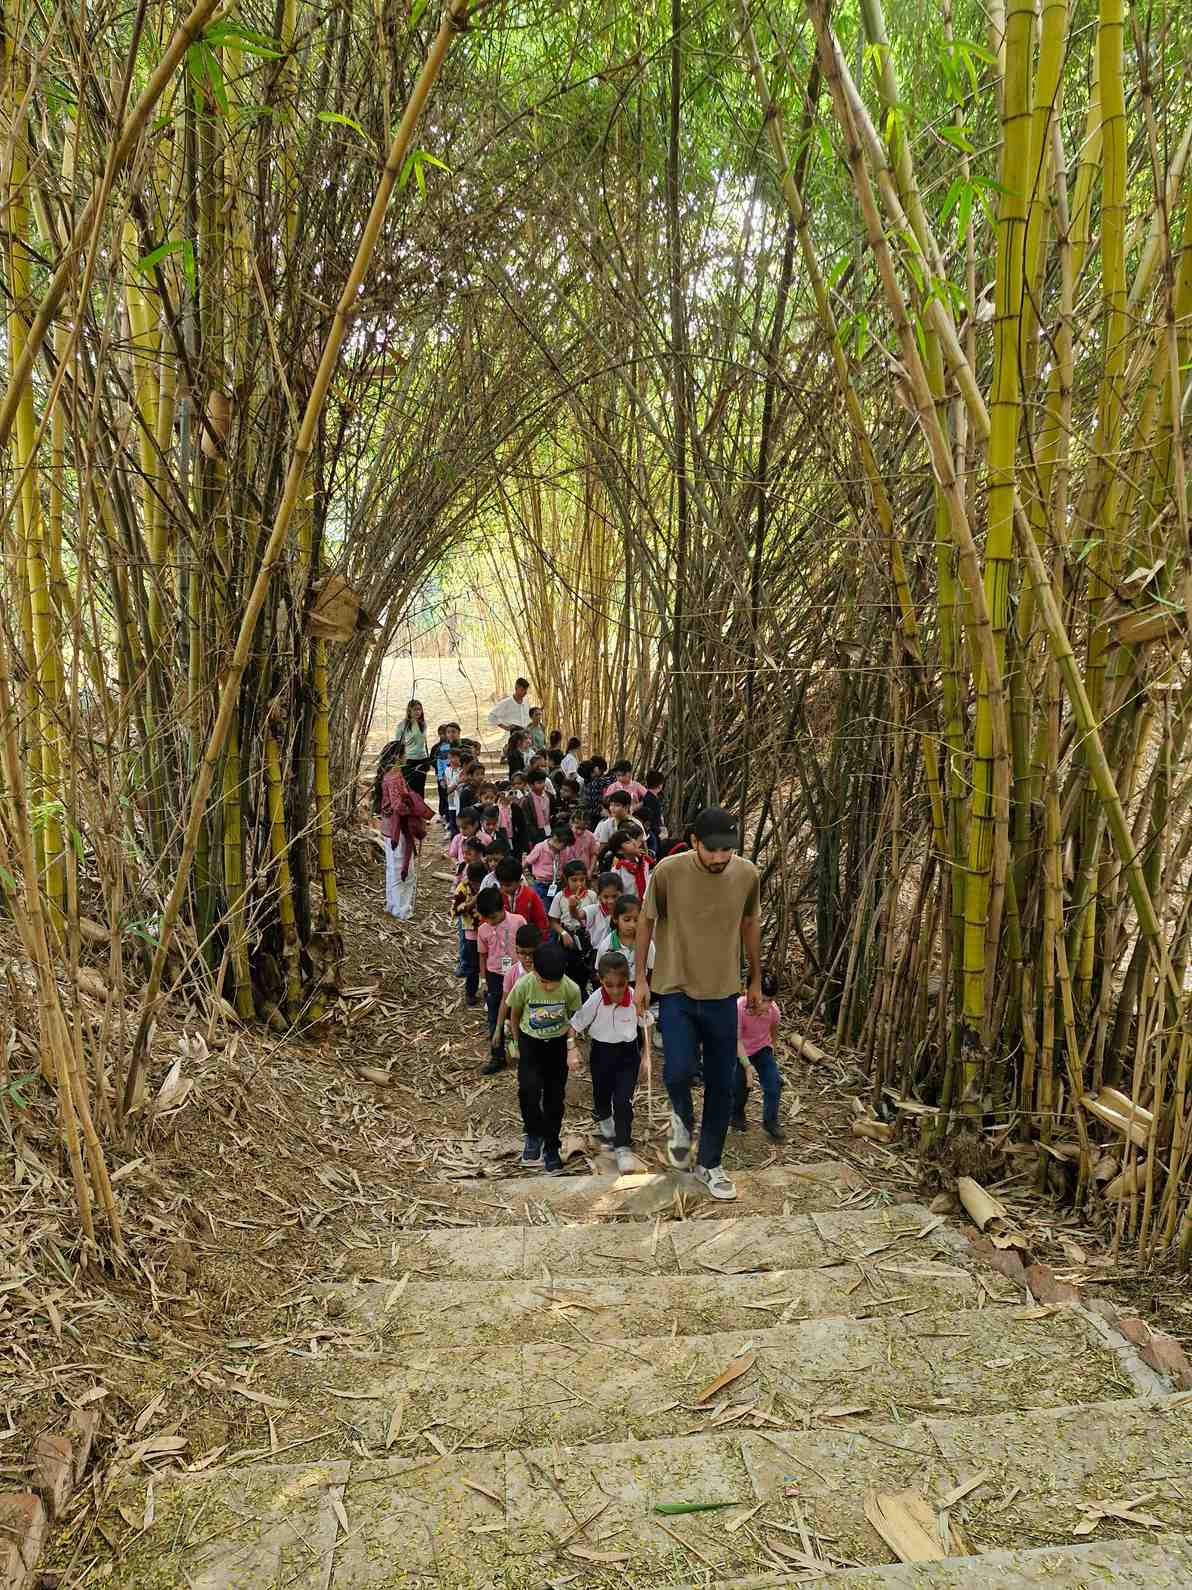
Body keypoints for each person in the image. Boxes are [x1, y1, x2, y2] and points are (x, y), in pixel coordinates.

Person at [635, 805, 762, 1202]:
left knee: (723, 1084)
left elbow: (750, 924)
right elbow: (645, 921)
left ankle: (710, 1163)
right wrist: (640, 978)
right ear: (694, 842)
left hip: (723, 993)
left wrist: (755, 978)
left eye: (727, 850)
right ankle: (682, 1121)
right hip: (676, 989)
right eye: (712, 850)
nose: (721, 858)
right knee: (677, 1072)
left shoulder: (747, 875)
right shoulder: (668, 871)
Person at [571, 949, 650, 1174]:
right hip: (601, 1053)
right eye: (609, 985)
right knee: (602, 1094)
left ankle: (623, 1145)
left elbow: (646, 1023)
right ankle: (605, 1119)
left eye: (620, 984)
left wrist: (645, 1056)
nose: (615, 990)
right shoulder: (596, 999)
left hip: (628, 1055)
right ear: (601, 981)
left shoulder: (635, 997)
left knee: (624, 1101)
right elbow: (575, 1025)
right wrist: (571, 1049)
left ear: (628, 980)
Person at [506, 941, 583, 1172]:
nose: (549, 987)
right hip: (530, 1043)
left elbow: (574, 1019)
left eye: (554, 983)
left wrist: (571, 1045)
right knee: (528, 1089)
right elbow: (515, 1013)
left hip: (557, 1045)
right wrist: (516, 1043)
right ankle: (533, 1133)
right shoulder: (525, 985)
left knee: (554, 1097)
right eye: (543, 981)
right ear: (535, 971)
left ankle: (551, 1145)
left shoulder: (571, 989)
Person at [732, 971, 785, 1140]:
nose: (766, 1006)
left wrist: (771, 1051)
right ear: (748, 992)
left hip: (762, 1049)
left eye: (770, 1000)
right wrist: (747, 1067)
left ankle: (771, 1122)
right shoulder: (739, 1008)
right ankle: (737, 1113)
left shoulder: (774, 1012)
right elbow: (737, 1040)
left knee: (774, 1083)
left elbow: (773, 1032)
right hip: (740, 1051)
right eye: (763, 1000)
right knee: (740, 1085)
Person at [379, 759, 432, 919]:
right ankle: (401, 909)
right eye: (404, 753)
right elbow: (398, 806)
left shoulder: (390, 775)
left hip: (390, 827)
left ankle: (392, 905)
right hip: (398, 828)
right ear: (397, 757)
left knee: (392, 868)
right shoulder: (394, 777)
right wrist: (414, 810)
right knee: (402, 869)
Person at [486, 923, 543, 1074]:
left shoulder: (546, 970)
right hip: (521, 1024)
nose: (527, 958)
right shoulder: (512, 973)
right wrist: (498, 1029)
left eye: (532, 953)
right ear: (516, 950)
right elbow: (505, 1002)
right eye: (522, 953)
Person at [476, 886, 526, 1058]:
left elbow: (527, 944)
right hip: (495, 975)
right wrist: (483, 980)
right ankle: (497, 1056)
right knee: (494, 1012)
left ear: (502, 907)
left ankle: (522, 1050)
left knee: (520, 1011)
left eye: (493, 917)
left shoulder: (518, 921)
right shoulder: (483, 930)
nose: (490, 921)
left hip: (517, 974)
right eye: (486, 918)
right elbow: (482, 956)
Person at [453, 860, 488, 1007]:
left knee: (490, 963)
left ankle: (489, 992)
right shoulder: (462, 888)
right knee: (473, 965)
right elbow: (454, 910)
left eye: (479, 883)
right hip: (471, 931)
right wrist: (470, 904)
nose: (477, 886)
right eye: (474, 883)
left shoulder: (489, 884)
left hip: (488, 929)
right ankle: (470, 993)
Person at [493, 856, 550, 937]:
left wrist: (542, 938)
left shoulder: (530, 895)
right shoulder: (496, 895)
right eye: (501, 884)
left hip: (525, 941)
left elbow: (540, 919)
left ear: (519, 881)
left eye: (508, 885)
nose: (504, 888)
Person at [607, 894, 656, 987]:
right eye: (627, 920)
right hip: (617, 987)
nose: (632, 925)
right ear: (615, 919)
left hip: (640, 985)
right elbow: (601, 970)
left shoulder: (647, 943)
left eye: (636, 920)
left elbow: (652, 969)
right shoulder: (607, 944)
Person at [525, 824, 572, 908]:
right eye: (564, 845)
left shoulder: (564, 850)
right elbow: (527, 862)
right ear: (555, 839)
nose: (565, 848)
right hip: (541, 884)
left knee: (557, 908)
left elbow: (565, 867)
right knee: (544, 908)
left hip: (557, 884)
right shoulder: (540, 848)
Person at [602, 829, 652, 900]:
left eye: (633, 839)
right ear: (620, 851)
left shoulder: (644, 862)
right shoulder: (617, 871)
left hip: (646, 905)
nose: (634, 843)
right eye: (628, 842)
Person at [396, 699, 431, 797]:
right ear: (409, 711)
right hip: (409, 760)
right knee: (409, 789)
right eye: (415, 709)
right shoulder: (402, 725)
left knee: (420, 789)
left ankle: (420, 811)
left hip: (422, 759)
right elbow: (398, 744)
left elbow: (422, 742)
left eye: (419, 709)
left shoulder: (423, 724)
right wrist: (399, 761)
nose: (418, 712)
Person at [637, 768, 667, 856]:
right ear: (660, 785)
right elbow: (653, 819)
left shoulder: (647, 797)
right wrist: (660, 832)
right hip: (652, 833)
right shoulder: (653, 800)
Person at [524, 768, 557, 845]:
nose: (543, 785)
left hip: (549, 827)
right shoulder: (527, 800)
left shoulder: (549, 796)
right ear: (531, 785)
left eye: (543, 782)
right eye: (539, 783)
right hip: (536, 831)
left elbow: (553, 812)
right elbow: (528, 820)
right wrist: (534, 834)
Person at [582, 755, 613, 825]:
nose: (602, 774)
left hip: (590, 813)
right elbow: (610, 779)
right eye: (601, 771)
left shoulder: (586, 782)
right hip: (597, 814)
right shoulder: (596, 782)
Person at [567, 809, 599, 875]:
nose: (579, 831)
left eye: (583, 829)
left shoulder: (590, 836)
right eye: (577, 828)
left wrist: (590, 871)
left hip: (585, 871)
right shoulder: (566, 835)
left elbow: (594, 854)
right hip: (568, 871)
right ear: (571, 823)